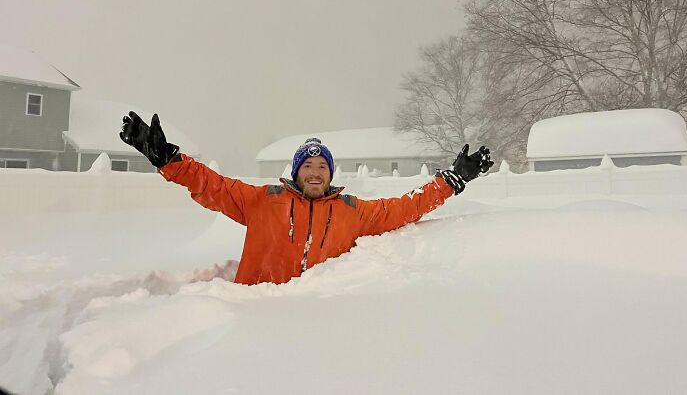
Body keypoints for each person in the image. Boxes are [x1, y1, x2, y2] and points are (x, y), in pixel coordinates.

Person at [119, 112, 493, 285]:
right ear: (296, 171)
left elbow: (403, 208)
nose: (315, 172)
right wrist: (170, 161)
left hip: (315, 318)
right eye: (308, 166)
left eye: (322, 167)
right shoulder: (264, 200)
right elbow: (213, 186)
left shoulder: (353, 211)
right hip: (252, 313)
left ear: (331, 174)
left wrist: (452, 179)